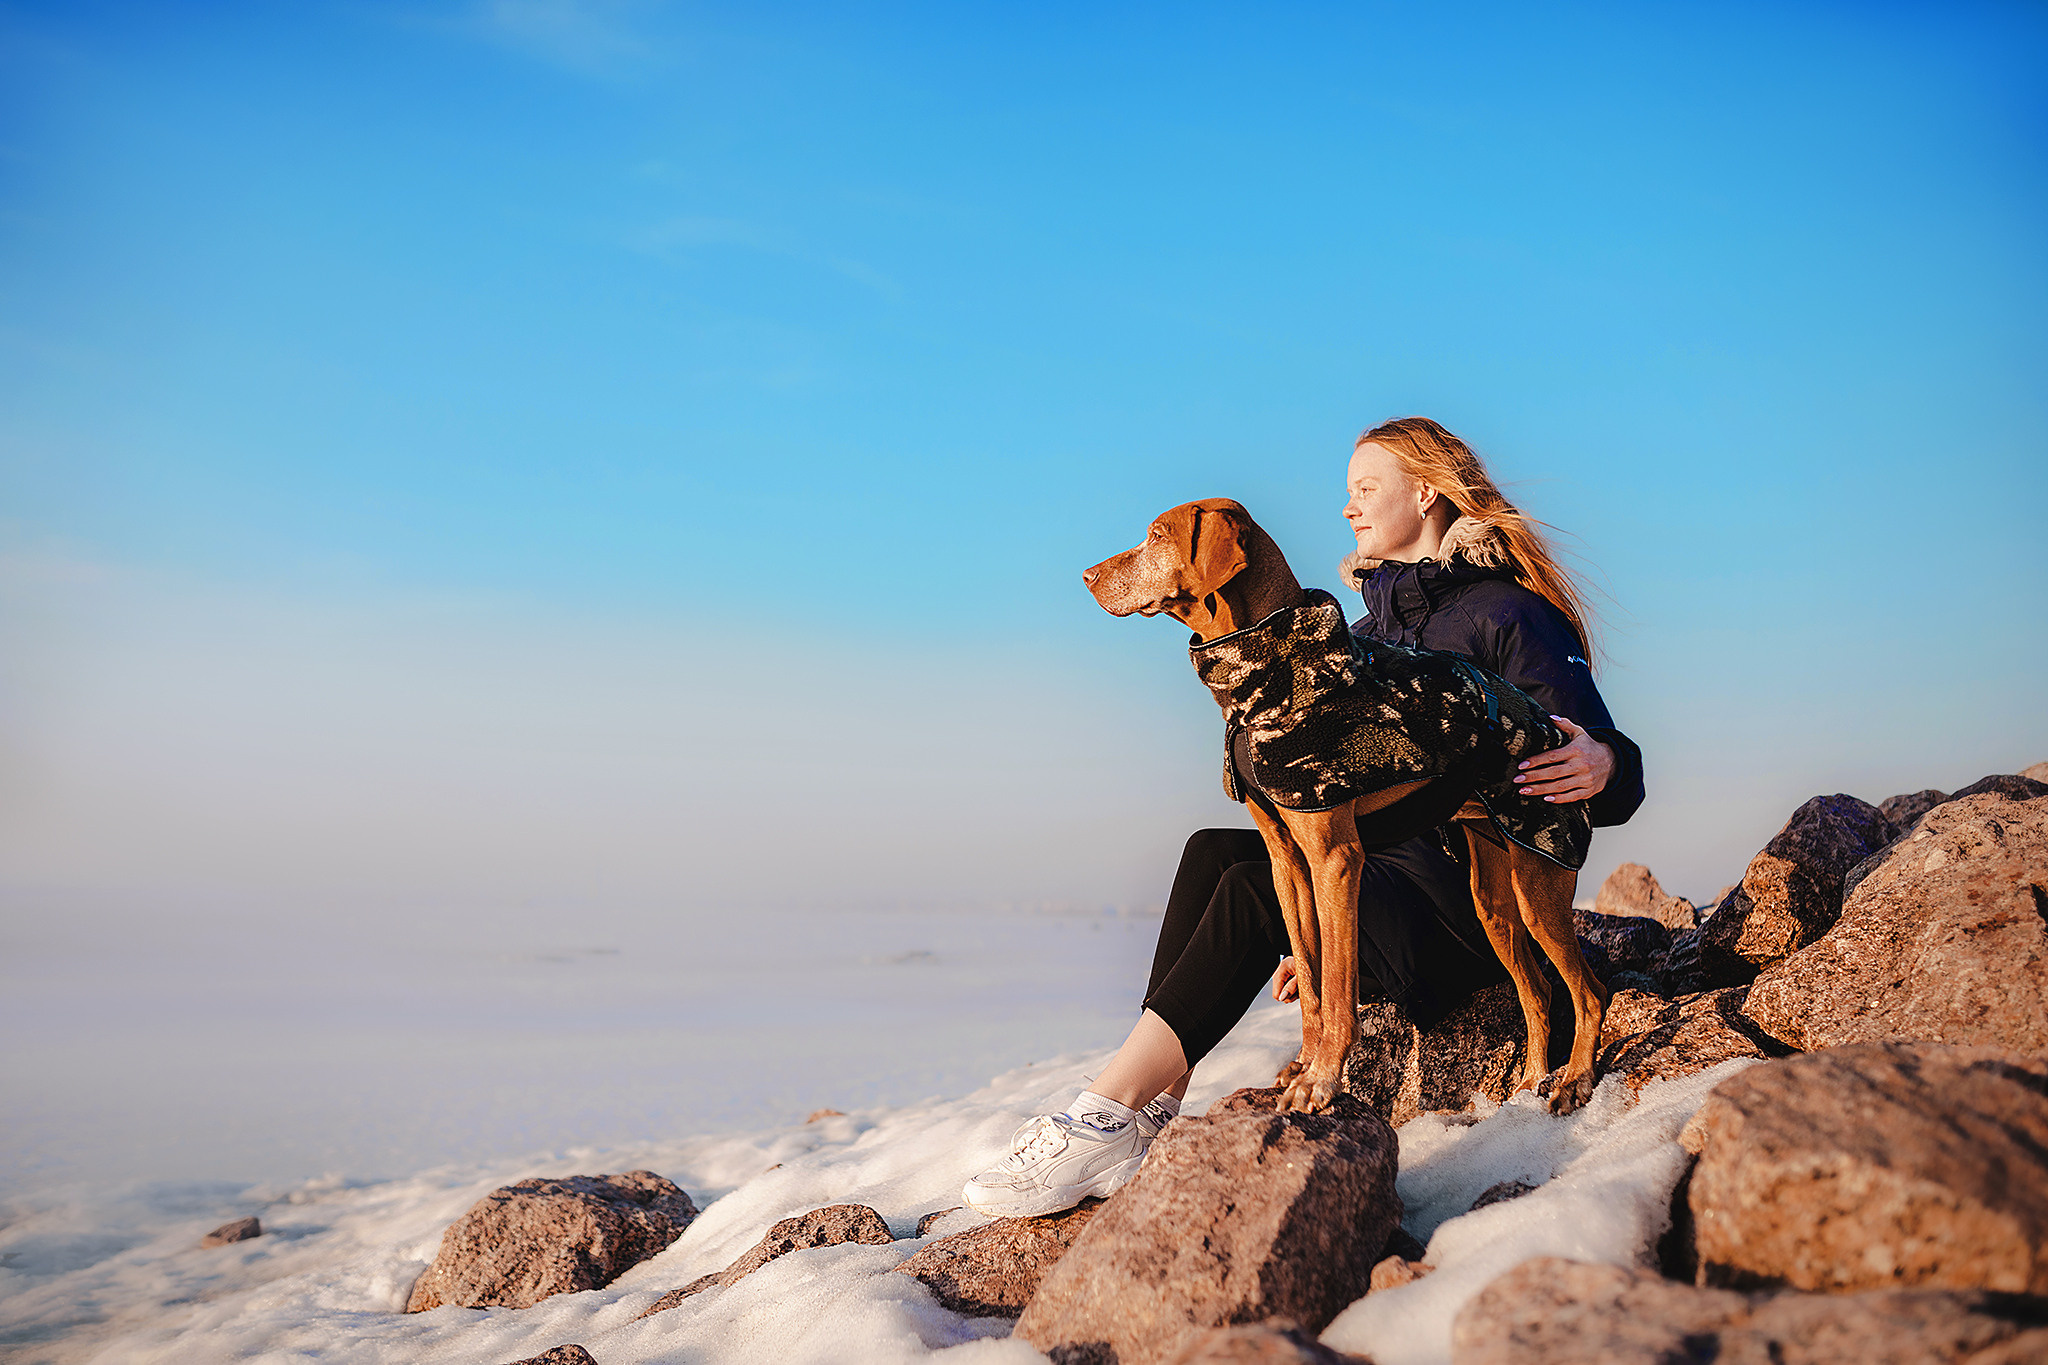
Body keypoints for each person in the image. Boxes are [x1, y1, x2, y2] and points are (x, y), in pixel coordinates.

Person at [962, 417, 1645, 1219]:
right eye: (1347, 492)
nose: (1349, 507)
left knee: (1254, 892)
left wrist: (1605, 760)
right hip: (1384, 889)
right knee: (1216, 851)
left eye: (1367, 488)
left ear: (1428, 493)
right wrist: (1314, 931)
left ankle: (1105, 1111)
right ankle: (1155, 1098)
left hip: (1450, 914)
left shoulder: (1507, 612)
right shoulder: (1359, 636)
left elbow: (1590, 757)